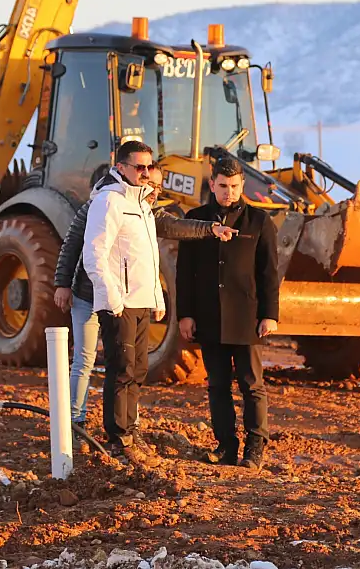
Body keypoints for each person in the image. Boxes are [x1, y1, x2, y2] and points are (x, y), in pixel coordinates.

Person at [53, 166, 236, 429]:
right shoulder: (101, 205)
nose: (155, 191)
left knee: (129, 365)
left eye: (160, 187)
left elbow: (173, 230)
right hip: (89, 296)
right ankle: (75, 420)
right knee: (86, 359)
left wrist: (210, 229)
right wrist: (63, 283)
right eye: (152, 184)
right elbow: (74, 245)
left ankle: (130, 420)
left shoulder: (147, 213)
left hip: (122, 302)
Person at [176, 155, 280, 470]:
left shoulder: (259, 222)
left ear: (242, 185)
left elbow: (269, 273)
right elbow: (185, 273)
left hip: (247, 318)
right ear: (212, 184)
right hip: (209, 317)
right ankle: (226, 446)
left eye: (234, 186)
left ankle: (254, 449)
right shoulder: (195, 219)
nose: (229, 192)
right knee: (217, 385)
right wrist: (186, 314)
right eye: (223, 186)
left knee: (251, 384)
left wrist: (269, 314)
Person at [79, 141, 174, 461]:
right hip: (120, 302)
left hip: (141, 300)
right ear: (120, 167)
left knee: (138, 368)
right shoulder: (109, 201)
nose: (146, 173)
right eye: (139, 167)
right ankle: (118, 438)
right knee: (121, 369)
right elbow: (95, 255)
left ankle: (131, 430)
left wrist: (156, 296)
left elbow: (149, 257)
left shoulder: (143, 204)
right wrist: (112, 299)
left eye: (149, 167)